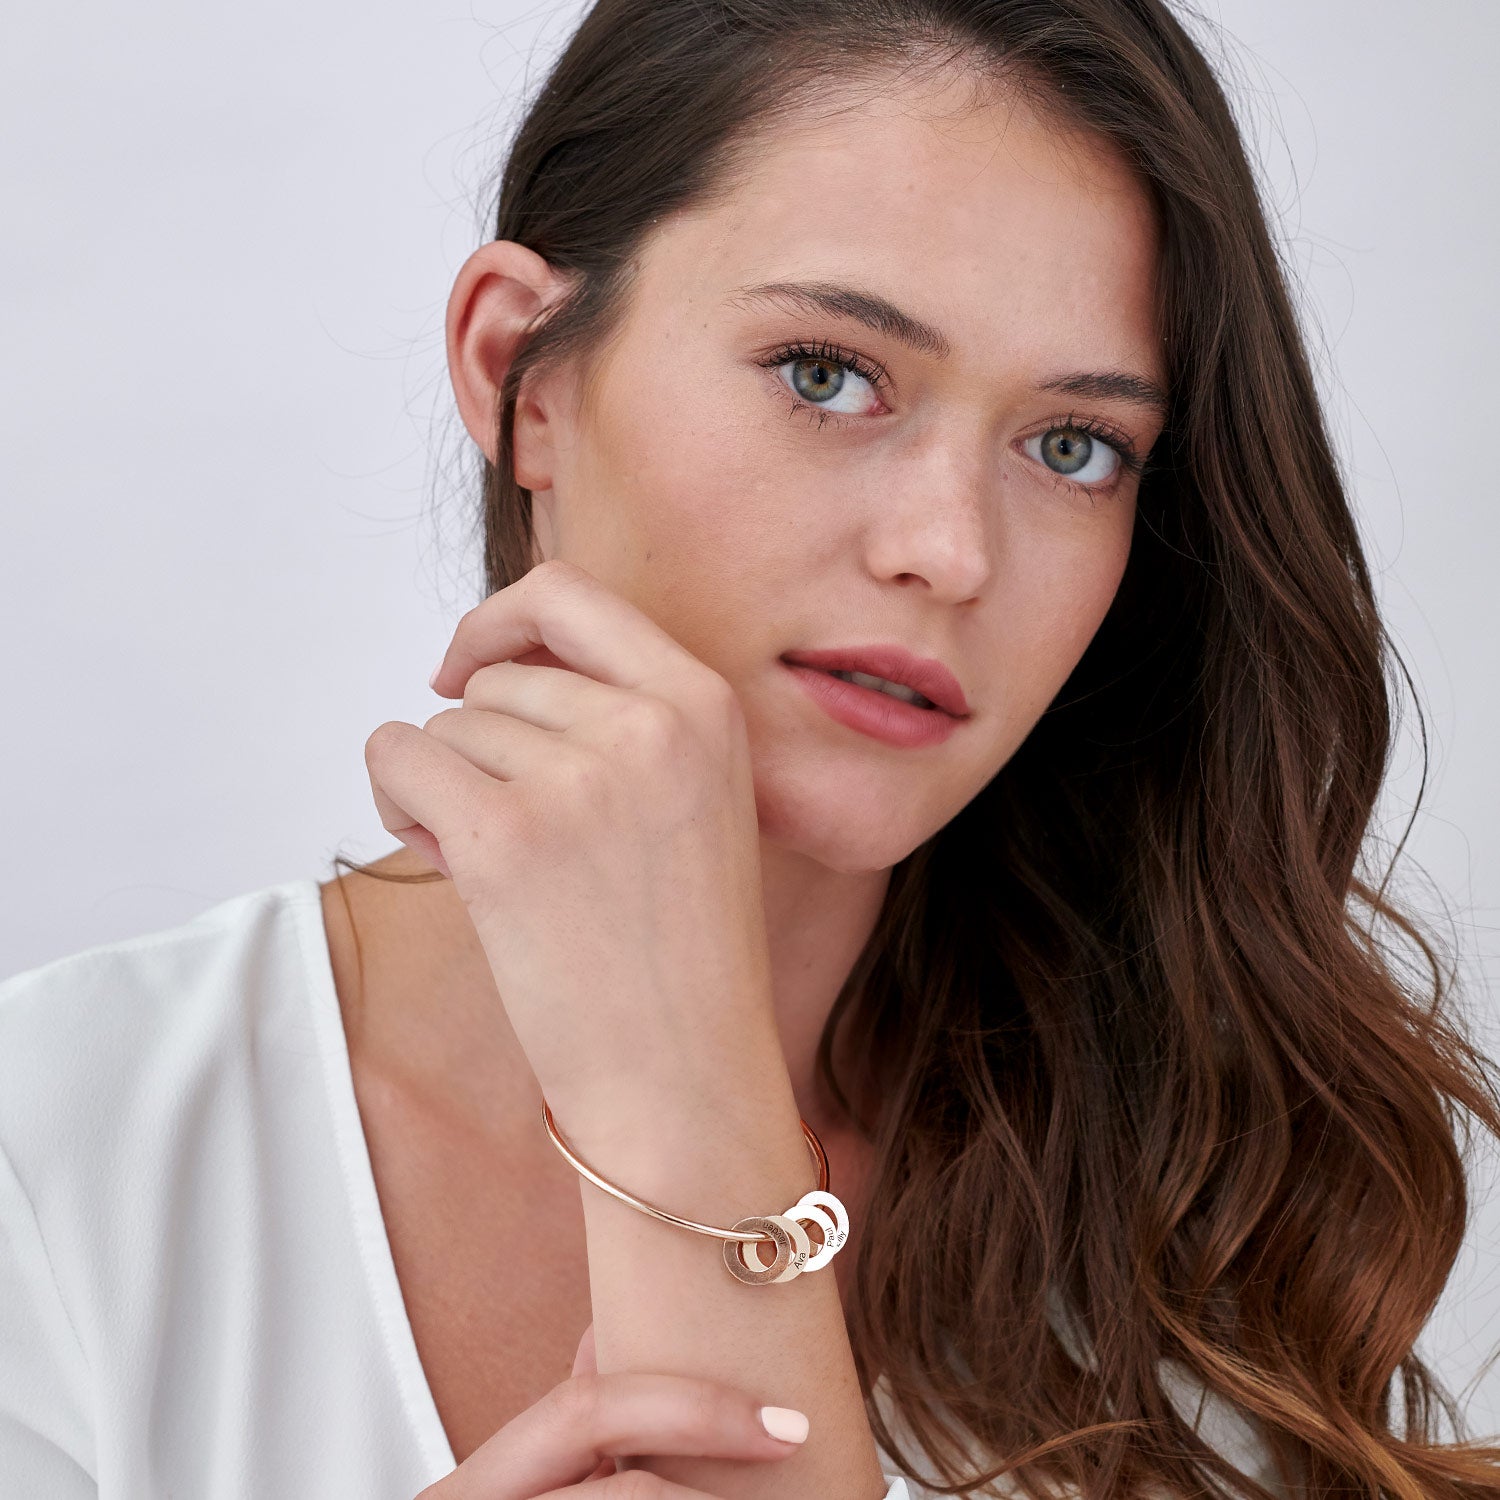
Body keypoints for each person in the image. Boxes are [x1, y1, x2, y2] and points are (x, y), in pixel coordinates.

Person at [3, 0, 1498, 1496]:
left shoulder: (1216, 1214)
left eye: (1072, 447)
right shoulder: (55, 1157)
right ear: (525, 374)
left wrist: (684, 1090)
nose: (948, 551)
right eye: (826, 373)